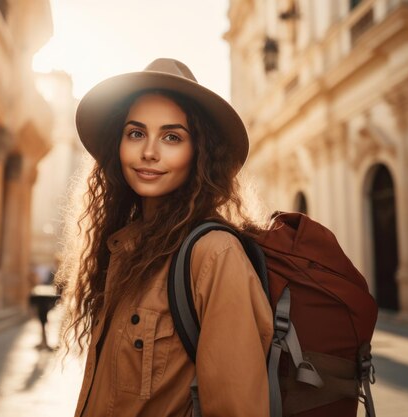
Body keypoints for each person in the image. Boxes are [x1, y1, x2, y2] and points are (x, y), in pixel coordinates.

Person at [63, 58, 274, 417]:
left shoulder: (214, 255)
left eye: (172, 137)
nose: (149, 151)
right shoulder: (122, 248)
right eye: (136, 133)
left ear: (199, 154)